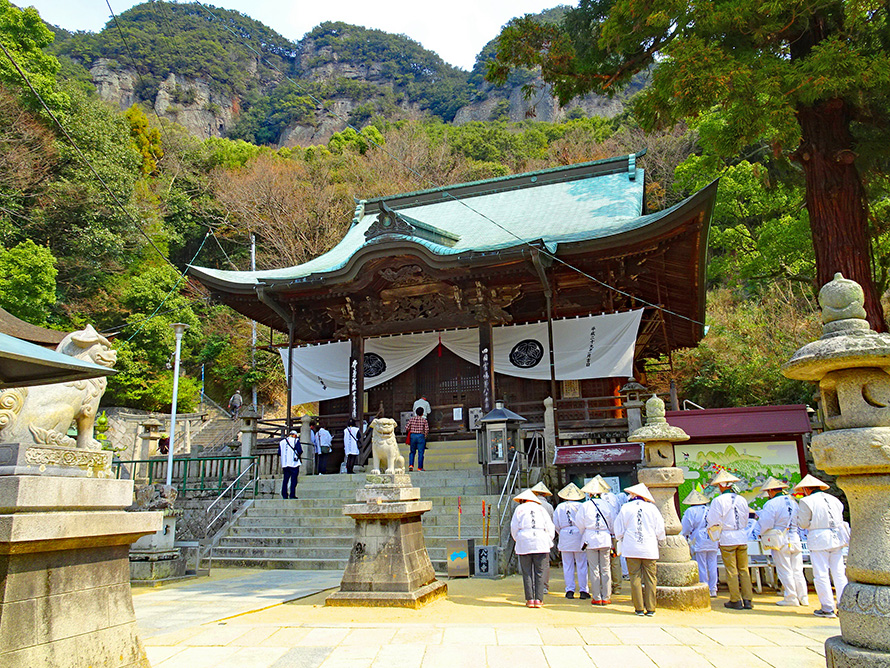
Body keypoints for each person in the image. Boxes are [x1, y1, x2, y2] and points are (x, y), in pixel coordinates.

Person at [796, 474, 848, 618]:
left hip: (819, 538)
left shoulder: (806, 501)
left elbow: (803, 523)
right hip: (836, 537)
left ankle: (827, 606)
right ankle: (844, 604)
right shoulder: (834, 500)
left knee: (821, 573)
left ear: (806, 489)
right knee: (839, 572)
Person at [613, 483, 665, 616]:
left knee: (635, 577)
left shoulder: (625, 508)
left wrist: (620, 537)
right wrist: (660, 538)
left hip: (631, 546)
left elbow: (618, 529)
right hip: (649, 546)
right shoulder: (652, 508)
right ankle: (651, 607)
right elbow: (660, 528)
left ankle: (639, 607)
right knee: (650, 578)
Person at [706, 469, 754, 610]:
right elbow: (745, 518)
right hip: (741, 535)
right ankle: (748, 599)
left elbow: (713, 520)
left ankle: (735, 599)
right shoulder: (742, 499)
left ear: (721, 486)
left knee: (731, 570)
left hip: (727, 537)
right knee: (744, 569)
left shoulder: (718, 501)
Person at [756, 477, 808, 607]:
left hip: (780, 538)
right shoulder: (793, 502)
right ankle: (803, 596)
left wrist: (762, 532)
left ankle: (791, 597)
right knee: (797, 569)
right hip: (794, 537)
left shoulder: (771, 504)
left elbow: (766, 523)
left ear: (770, 491)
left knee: (784, 569)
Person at [510, 489, 555, 608]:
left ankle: (530, 599)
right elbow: (550, 527)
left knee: (527, 572)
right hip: (541, 540)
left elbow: (514, 527)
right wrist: (548, 539)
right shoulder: (541, 509)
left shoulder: (519, 509)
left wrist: (518, 539)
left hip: (524, 540)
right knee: (540, 571)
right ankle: (539, 599)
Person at [579, 477, 617, 605]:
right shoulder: (607, 505)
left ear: (589, 494)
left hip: (590, 538)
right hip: (605, 537)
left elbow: (580, 523)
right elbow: (612, 522)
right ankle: (606, 596)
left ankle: (596, 596)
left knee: (594, 568)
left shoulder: (585, 506)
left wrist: (586, 531)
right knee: (605, 567)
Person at [553, 483, 589, 599]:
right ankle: (583, 590)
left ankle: (569, 589)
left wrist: (562, 532)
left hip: (565, 535)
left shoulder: (560, 507)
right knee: (581, 564)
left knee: (567, 564)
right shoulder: (581, 506)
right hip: (578, 534)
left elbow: (556, 524)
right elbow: (585, 521)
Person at [680, 489, 719, 598]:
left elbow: (686, 527)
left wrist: (685, 535)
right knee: (712, 563)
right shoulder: (710, 509)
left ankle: (704, 586)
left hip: (699, 539)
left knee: (701, 564)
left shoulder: (690, 511)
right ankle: (713, 588)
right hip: (712, 537)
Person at [530, 481, 555, 594]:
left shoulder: (529, 506)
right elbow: (552, 522)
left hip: (530, 536)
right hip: (544, 535)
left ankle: (533, 584)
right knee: (544, 563)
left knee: (532, 562)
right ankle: (544, 585)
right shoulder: (548, 507)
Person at [278, 429, 302, 499]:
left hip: (285, 463)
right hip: (293, 463)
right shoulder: (295, 441)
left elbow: (279, 453)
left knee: (285, 480)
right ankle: (292, 494)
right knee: (293, 479)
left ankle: (284, 494)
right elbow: (300, 450)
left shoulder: (282, 442)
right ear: (294, 435)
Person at [405, 407, 430, 472]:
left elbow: (407, 427)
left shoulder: (411, 419)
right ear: (422, 413)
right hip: (420, 435)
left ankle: (411, 465)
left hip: (413, 435)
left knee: (412, 452)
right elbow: (427, 429)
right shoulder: (424, 420)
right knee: (420, 452)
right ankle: (420, 468)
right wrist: (425, 435)